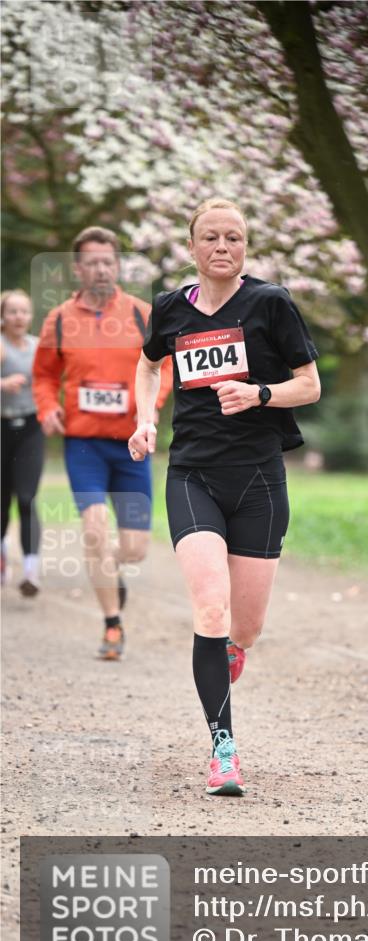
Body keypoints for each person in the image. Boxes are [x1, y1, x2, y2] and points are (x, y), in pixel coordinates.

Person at [129, 197, 320, 796]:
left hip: (260, 478)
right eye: (210, 237)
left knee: (246, 627)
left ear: (245, 247)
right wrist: (145, 420)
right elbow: (147, 366)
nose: (222, 247)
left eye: (233, 238)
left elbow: (309, 386)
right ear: (192, 247)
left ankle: (230, 653)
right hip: (193, 475)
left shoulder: (270, 303)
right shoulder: (169, 310)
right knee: (209, 610)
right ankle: (223, 751)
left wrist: (259, 394)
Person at [32, 226, 172, 660]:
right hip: (84, 446)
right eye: (91, 262)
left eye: (108, 262)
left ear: (118, 266)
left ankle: (109, 571)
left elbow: (163, 368)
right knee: (94, 533)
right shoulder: (59, 319)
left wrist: (147, 412)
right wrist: (45, 408)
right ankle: (112, 625)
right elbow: (44, 375)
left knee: (133, 548)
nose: (100, 269)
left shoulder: (141, 315)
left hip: (130, 446)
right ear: (78, 268)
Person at [1, 290, 45, 596]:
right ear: (3, 316)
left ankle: (31, 571)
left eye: (24, 311)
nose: (18, 317)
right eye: (12, 311)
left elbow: (53, 381)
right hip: (1, 427)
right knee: (2, 502)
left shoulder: (37, 347)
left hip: (31, 427)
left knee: (27, 498)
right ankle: (3, 556)